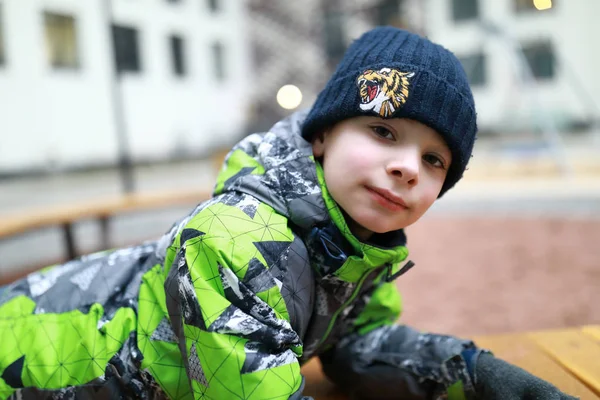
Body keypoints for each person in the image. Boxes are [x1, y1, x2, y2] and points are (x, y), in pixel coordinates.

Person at [0, 27, 577, 400]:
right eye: (383, 131)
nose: (407, 167)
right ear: (322, 135)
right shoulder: (231, 241)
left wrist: (473, 375)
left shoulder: (362, 249)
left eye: (433, 160)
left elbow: (358, 347)